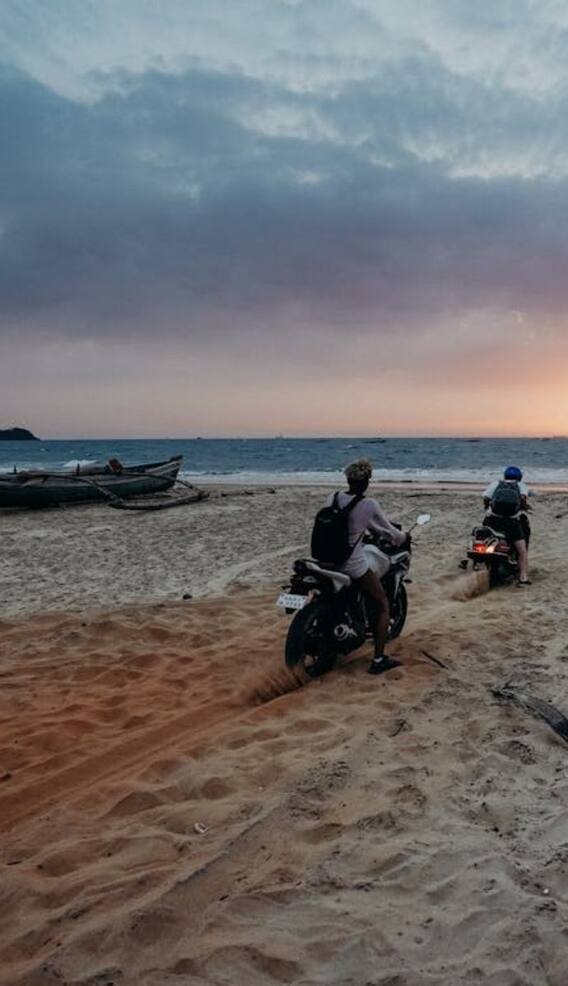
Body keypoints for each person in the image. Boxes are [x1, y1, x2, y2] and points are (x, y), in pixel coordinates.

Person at [330, 458, 408, 675]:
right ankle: (379, 659)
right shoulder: (368, 504)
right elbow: (389, 532)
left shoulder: (334, 497)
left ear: (348, 479)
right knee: (382, 602)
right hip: (352, 564)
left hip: (329, 560)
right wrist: (402, 536)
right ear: (366, 481)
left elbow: (359, 525)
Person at [482, 465, 531, 585]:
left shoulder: (495, 484)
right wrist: (525, 506)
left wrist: (487, 506)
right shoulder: (521, 485)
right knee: (522, 550)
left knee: (483, 538)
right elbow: (523, 498)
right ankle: (523, 577)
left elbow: (485, 497)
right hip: (511, 522)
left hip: (492, 520)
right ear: (519, 477)